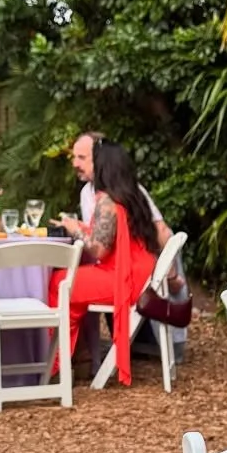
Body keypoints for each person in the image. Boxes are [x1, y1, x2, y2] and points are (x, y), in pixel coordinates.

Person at [56, 141, 160, 386]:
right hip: (141, 273)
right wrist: (84, 227)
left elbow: (99, 249)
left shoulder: (107, 201)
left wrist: (74, 230)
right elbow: (114, 237)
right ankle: (77, 356)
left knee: (59, 281)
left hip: (124, 278)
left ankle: (59, 360)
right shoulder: (132, 195)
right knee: (69, 283)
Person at [61, 130, 171, 252]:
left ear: (100, 158)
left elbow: (162, 231)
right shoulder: (86, 192)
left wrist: (75, 230)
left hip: (129, 260)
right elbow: (96, 235)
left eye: (82, 157)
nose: (75, 164)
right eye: (74, 157)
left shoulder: (127, 189)